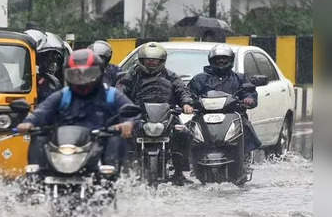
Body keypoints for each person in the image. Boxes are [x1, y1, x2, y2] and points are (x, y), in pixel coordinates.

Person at [17, 49, 135, 173]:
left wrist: (128, 123)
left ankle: (110, 181)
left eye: (88, 74)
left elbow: (131, 111)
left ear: (99, 74)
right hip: (64, 144)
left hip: (99, 143)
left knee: (115, 139)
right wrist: (29, 122)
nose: (82, 80)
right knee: (39, 137)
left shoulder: (111, 95)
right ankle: (36, 181)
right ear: (67, 75)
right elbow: (43, 111)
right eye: (76, 75)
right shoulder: (63, 95)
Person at [116, 42, 195, 184]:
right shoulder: (132, 75)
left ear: (161, 61)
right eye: (148, 60)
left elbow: (181, 90)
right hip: (140, 114)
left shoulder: (170, 76)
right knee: (122, 134)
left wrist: (186, 103)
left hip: (167, 114)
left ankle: (179, 172)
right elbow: (121, 89)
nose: (151, 62)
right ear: (142, 60)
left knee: (184, 133)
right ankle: (126, 172)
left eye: (155, 60)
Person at [188, 44, 261, 153]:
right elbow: (189, 94)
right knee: (185, 131)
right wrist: (188, 104)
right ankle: (186, 162)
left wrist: (249, 99)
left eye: (224, 58)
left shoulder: (239, 78)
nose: (221, 61)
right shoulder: (199, 79)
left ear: (231, 60)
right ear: (211, 60)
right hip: (204, 117)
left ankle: (244, 156)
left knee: (245, 125)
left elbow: (249, 91)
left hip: (233, 116)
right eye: (218, 59)